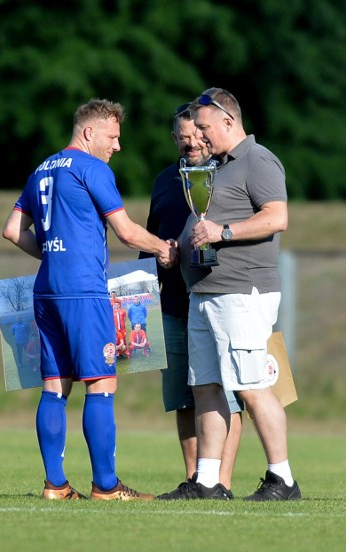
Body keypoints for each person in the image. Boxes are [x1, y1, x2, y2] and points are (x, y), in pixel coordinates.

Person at [2, 98, 177, 501]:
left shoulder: (42, 168)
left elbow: (12, 230)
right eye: (113, 137)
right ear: (89, 132)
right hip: (84, 292)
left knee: (54, 386)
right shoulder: (92, 169)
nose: (117, 146)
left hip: (46, 290)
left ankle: (55, 486)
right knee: (101, 383)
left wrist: (53, 254)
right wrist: (164, 249)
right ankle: (106, 486)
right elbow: (127, 232)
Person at [158, 88, 300, 501]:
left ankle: (283, 478)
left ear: (227, 121)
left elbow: (277, 216)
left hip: (242, 292)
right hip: (204, 292)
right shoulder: (216, 167)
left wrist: (224, 233)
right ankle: (207, 481)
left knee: (252, 386)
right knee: (205, 387)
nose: (199, 137)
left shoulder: (258, 160)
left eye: (204, 127)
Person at [140, 103, 244, 498]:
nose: (191, 143)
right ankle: (194, 478)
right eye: (182, 137)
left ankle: (223, 482)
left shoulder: (231, 175)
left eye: (197, 135)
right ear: (174, 139)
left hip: (223, 297)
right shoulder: (165, 180)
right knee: (183, 397)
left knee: (230, 396)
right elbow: (151, 238)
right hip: (172, 304)